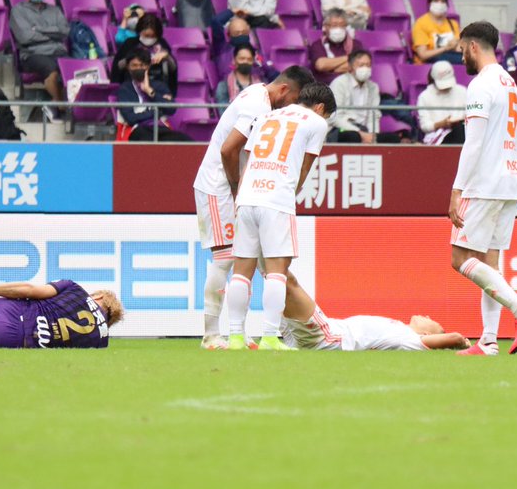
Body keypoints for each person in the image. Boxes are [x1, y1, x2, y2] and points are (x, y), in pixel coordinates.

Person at [192, 65, 313, 349]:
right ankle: (211, 334)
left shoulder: (259, 94)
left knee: (246, 260)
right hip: (219, 185)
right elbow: (228, 149)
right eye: (294, 100)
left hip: (240, 189)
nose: (293, 107)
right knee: (225, 258)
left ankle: (238, 332)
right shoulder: (258, 105)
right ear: (284, 89)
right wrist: (237, 188)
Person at [448, 21, 517, 356]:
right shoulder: (510, 83)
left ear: (474, 46)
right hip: (510, 181)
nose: (462, 57)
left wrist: (457, 189)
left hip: (484, 183)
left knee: (460, 259)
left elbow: (473, 143)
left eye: (463, 50)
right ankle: (488, 341)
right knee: (489, 264)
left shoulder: (481, 84)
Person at [223, 83, 335, 351]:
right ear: (320, 107)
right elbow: (304, 168)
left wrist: (243, 193)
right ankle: (270, 337)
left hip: (247, 196)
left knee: (241, 272)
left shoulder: (267, 116)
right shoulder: (316, 123)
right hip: (276, 200)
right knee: (277, 272)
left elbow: (248, 158)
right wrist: (289, 194)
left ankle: (235, 337)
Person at [280, 281, 471, 352]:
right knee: (277, 276)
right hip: (327, 330)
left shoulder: (410, 340)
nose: (427, 315)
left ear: (427, 335)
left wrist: (464, 344)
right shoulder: (401, 329)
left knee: (287, 282)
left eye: (433, 321)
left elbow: (454, 338)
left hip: (327, 338)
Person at [0, 278, 122, 349]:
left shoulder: (75, 289)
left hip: (10, 310)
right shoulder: (100, 341)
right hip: (14, 339)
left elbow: (29, 290)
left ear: (98, 296)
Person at [9, 0, 68, 113]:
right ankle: (61, 105)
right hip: (32, 54)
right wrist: (52, 34)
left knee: (74, 68)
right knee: (52, 68)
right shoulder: (18, 10)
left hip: (57, 51)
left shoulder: (55, 10)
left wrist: (38, 29)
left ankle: (63, 105)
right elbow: (25, 37)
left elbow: (64, 31)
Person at [116, 47, 190, 141]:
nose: (138, 68)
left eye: (142, 65)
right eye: (134, 65)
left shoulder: (159, 86)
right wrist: (155, 112)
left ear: (148, 66)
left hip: (160, 127)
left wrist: (150, 91)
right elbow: (131, 118)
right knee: (147, 139)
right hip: (136, 130)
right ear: (128, 67)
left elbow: (171, 109)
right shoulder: (125, 89)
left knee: (184, 140)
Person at [111, 12, 176, 95]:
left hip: (158, 87)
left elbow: (173, 69)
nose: (149, 39)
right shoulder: (130, 44)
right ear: (140, 31)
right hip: (131, 87)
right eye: (146, 35)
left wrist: (166, 56)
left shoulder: (162, 44)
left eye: (152, 36)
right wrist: (133, 59)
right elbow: (118, 67)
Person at [329, 50, 384, 143]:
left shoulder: (373, 87)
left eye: (368, 65)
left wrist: (373, 136)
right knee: (353, 136)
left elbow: (373, 115)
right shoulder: (339, 84)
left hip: (364, 130)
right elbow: (334, 117)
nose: (365, 68)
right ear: (350, 67)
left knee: (392, 138)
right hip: (342, 129)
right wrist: (360, 133)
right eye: (361, 65)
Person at [308, 7, 364, 84]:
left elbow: (357, 65)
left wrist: (330, 68)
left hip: (349, 86)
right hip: (325, 86)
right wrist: (350, 57)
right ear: (326, 27)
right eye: (334, 25)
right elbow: (321, 65)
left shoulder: (356, 44)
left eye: (341, 25)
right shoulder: (317, 45)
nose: (338, 29)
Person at [417, 60, 467, 145]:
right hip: (437, 136)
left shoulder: (463, 91)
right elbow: (425, 126)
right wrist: (441, 124)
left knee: (462, 129)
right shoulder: (424, 96)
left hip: (462, 131)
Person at [412, 0, 460, 65]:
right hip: (428, 63)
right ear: (429, 3)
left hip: (451, 57)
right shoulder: (421, 24)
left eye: (443, 1)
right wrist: (445, 48)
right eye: (436, 1)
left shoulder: (453, 24)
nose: (439, 4)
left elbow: (458, 47)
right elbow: (423, 55)